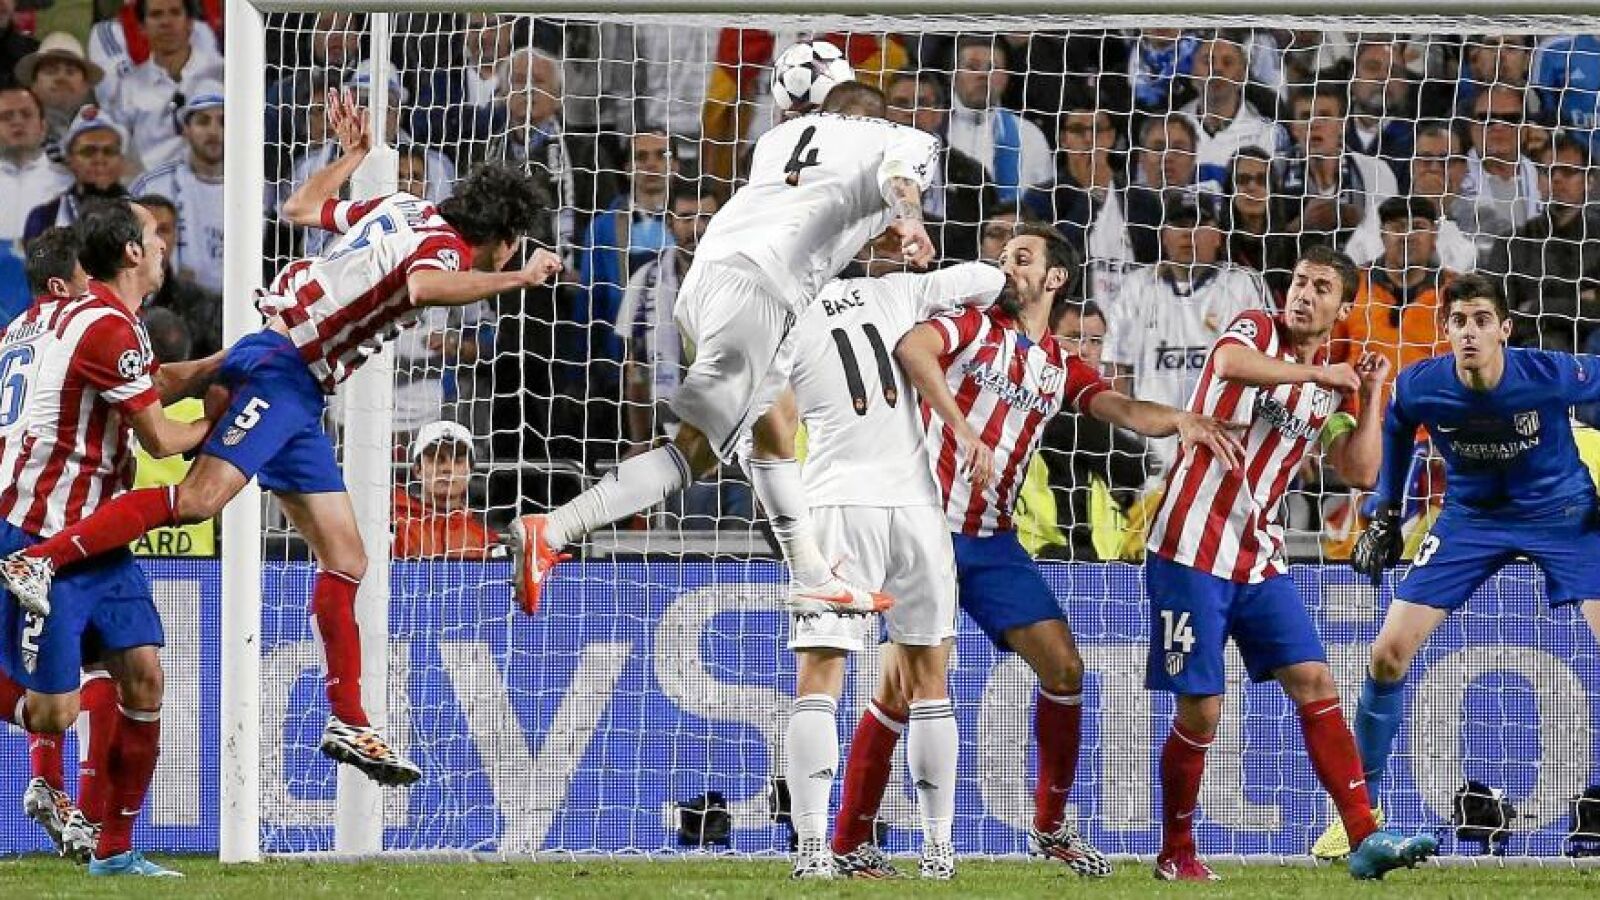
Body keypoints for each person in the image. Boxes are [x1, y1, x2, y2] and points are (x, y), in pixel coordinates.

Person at [0, 90, 562, 788]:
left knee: (347, 556)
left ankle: (349, 718)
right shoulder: (444, 250)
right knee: (199, 499)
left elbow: (300, 208)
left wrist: (352, 157)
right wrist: (517, 278)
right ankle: (43, 559)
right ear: (504, 237)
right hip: (283, 369)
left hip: (298, 382)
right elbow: (422, 287)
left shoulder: (399, 207)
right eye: (511, 249)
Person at [829, 224, 1246, 880]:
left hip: (992, 542)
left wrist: (1180, 421)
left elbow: (1120, 407)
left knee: (1064, 668)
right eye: (1002, 257)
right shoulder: (973, 324)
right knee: (905, 687)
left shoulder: (1057, 366)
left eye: (1021, 258)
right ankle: (849, 841)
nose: (1006, 266)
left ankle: (1050, 827)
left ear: (1055, 278)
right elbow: (912, 347)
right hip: (925, 529)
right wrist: (962, 427)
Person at [506, 80, 939, 618]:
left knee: (776, 428)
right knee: (693, 454)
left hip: (704, 281)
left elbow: (809, 208)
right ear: (879, 116)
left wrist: (875, 229)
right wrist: (910, 218)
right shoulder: (900, 138)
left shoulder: (780, 140)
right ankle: (552, 529)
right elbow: (900, 179)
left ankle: (812, 576)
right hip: (763, 295)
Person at [1140, 245, 1436, 881]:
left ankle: (1363, 837)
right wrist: (1320, 376)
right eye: (1300, 281)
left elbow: (1360, 472)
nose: (1304, 294)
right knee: (1202, 711)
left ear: (1342, 306)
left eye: (1322, 287)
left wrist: (1371, 394)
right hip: (1189, 549)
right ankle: (1176, 852)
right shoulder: (1257, 329)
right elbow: (1228, 362)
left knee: (1316, 681)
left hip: (1258, 557)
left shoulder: (1324, 392)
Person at [1333, 274, 1600, 856]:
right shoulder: (1422, 385)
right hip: (1470, 519)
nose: (1470, 332)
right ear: (1446, 330)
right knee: (1386, 653)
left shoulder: (1549, 374)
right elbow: (1397, 426)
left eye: (1482, 320)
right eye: (1459, 322)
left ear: (1505, 329)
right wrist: (1386, 516)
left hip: (1561, 514)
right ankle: (1359, 816)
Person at [0, 198, 220, 877]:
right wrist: (227, 428)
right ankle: (69, 804)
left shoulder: (45, 321)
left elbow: (142, 385)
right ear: (131, 252)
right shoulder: (108, 326)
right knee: (53, 713)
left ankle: (116, 850)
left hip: (98, 532)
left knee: (143, 677)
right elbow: (160, 437)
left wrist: (224, 363)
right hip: (43, 530)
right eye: (155, 235)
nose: (163, 246)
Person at [783, 251, 1004, 881]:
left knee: (819, 679)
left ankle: (812, 849)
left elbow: (772, 424)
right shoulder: (897, 291)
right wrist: (920, 251)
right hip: (916, 509)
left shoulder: (784, 316)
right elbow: (990, 281)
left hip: (837, 505)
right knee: (930, 683)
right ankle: (938, 850)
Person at [13, 226, 113, 864]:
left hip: (33, 506)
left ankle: (56, 792)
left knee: (79, 665)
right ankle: (77, 809)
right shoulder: (74, 326)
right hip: (48, 517)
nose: (93, 284)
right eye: (85, 275)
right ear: (59, 285)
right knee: (70, 688)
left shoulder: (14, 333)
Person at [128, 87, 222, 294]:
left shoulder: (261, 188)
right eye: (203, 121)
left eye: (224, 122)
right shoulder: (151, 185)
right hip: (166, 300)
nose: (214, 131)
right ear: (185, 129)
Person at [393, 420, 498, 560]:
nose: (448, 468)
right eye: (437, 459)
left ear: (470, 471)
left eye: (458, 460)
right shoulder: (393, 527)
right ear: (418, 470)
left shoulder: (485, 539)